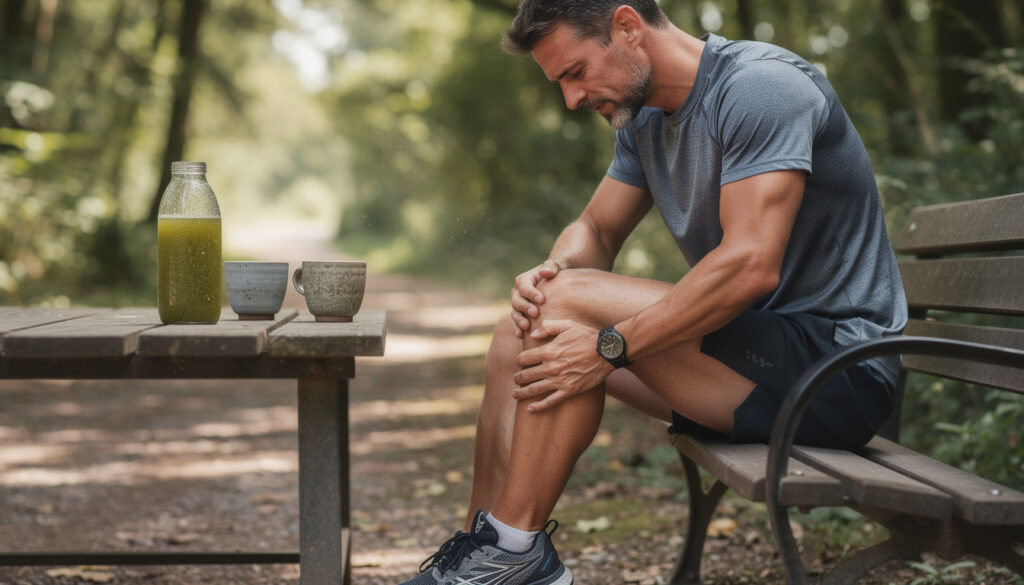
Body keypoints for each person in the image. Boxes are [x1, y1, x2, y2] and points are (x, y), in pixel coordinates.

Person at [398, 1, 907, 583]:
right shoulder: (644, 118)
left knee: (567, 308)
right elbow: (597, 229)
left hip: (838, 372)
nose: (571, 99)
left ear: (627, 27)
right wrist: (552, 270)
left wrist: (608, 346)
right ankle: (481, 557)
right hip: (753, 365)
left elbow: (749, 266)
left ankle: (514, 555)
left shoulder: (760, 88)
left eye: (575, 72)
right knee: (529, 319)